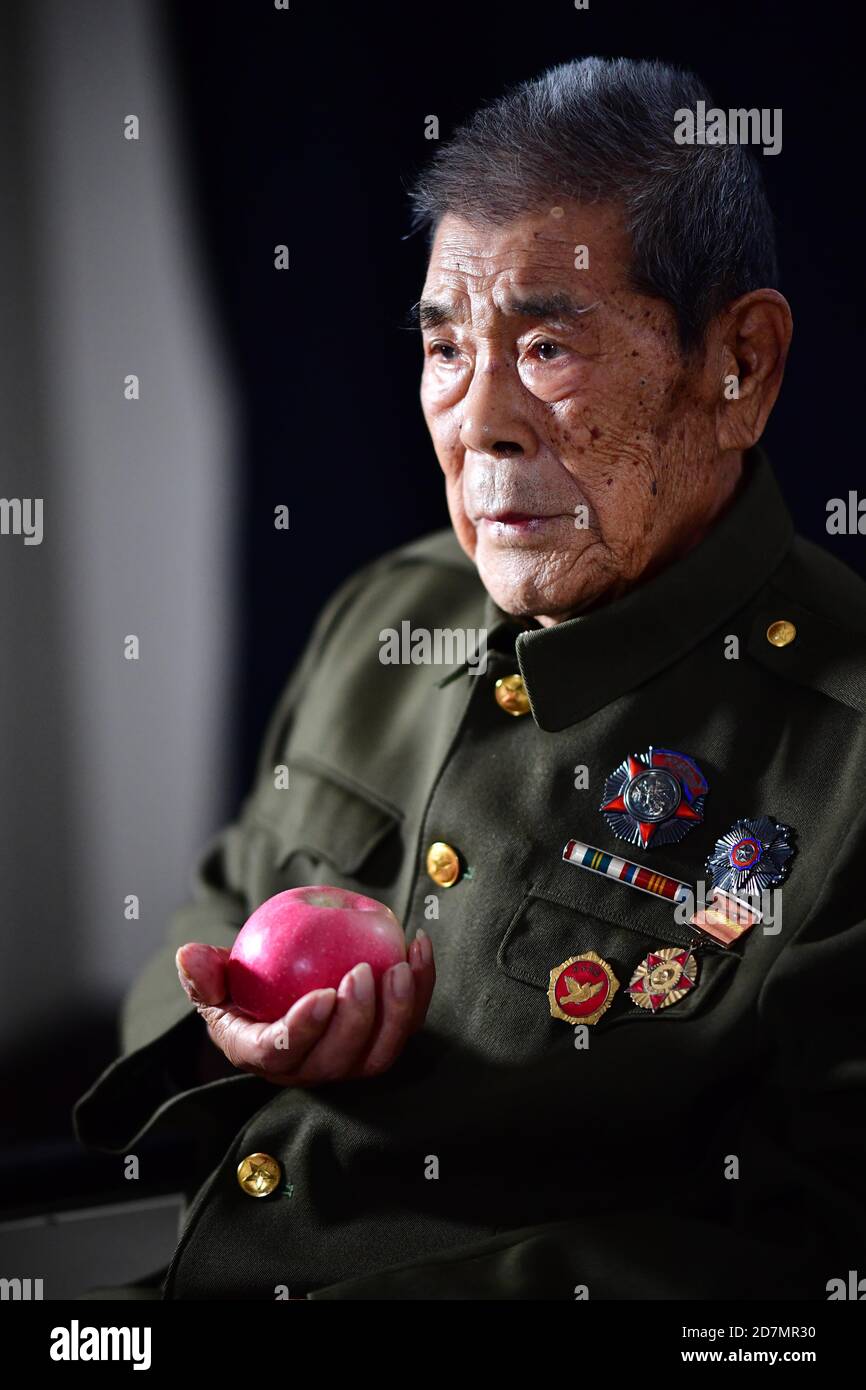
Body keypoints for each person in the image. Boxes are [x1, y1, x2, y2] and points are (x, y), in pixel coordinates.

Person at [74, 56, 866, 1300]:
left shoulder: (845, 750)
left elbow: (809, 1262)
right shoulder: (384, 612)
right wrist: (239, 1031)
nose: (477, 420)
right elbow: (208, 914)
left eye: (547, 344)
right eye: (447, 348)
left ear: (738, 368)